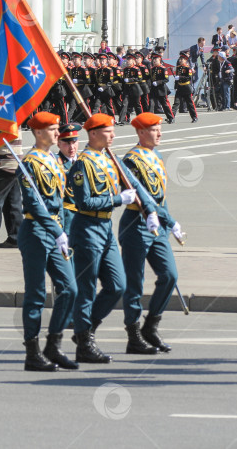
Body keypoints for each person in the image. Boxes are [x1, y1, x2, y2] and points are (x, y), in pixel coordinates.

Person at [67, 113, 158, 363]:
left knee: (117, 285)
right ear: (93, 133)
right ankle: (84, 343)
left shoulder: (110, 158)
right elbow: (84, 201)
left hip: (105, 227)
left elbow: (134, 185)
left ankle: (86, 330)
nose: (113, 135)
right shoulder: (82, 164)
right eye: (108, 132)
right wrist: (120, 199)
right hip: (87, 227)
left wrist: (150, 211)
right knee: (86, 289)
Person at [16, 112, 78, 372]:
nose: (57, 132)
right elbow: (33, 204)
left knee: (69, 288)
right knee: (36, 294)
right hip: (36, 231)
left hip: (55, 231)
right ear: (39, 133)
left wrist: (62, 229)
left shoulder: (52, 159)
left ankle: (53, 344)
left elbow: (60, 199)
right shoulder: (30, 162)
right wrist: (56, 230)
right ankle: (32, 352)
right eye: (53, 129)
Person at [119, 113, 183, 355]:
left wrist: (168, 224)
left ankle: (151, 325)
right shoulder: (131, 161)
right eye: (155, 129)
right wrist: (171, 220)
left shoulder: (157, 156)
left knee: (169, 275)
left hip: (158, 226)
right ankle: (133, 335)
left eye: (159, 129)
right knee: (135, 283)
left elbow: (160, 196)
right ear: (141, 132)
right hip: (136, 224)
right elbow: (144, 198)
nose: (160, 133)